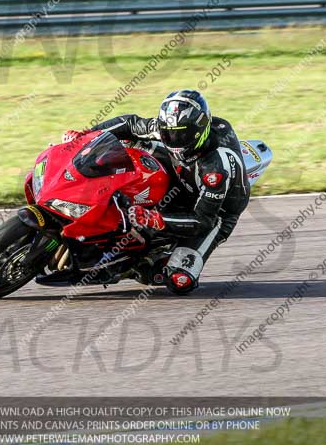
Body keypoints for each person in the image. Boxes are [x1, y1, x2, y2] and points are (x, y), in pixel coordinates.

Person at [63, 89, 250, 293]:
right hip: (182, 175)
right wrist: (87, 134)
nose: (173, 138)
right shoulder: (168, 128)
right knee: (128, 144)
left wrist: (155, 219)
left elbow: (203, 220)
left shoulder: (215, 170)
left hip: (216, 213)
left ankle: (144, 258)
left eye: (181, 134)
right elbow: (130, 124)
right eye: (169, 132)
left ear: (198, 131)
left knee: (179, 281)